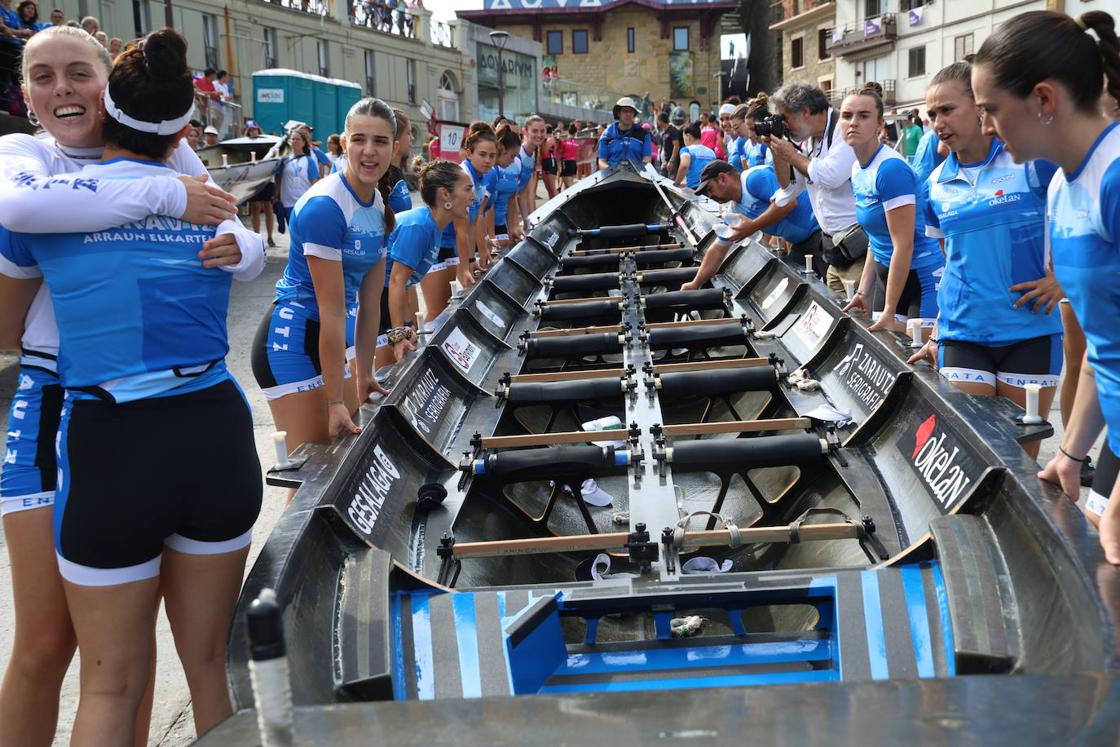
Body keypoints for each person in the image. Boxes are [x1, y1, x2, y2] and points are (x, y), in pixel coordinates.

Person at [0, 28, 264, 745]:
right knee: (50, 643)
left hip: (116, 419)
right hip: (60, 401)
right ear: (25, 95)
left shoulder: (172, 155)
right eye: (43, 77)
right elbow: (5, 322)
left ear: (107, 85)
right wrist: (160, 200)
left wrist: (244, 243)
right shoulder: (25, 161)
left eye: (77, 73)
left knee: (124, 658)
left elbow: (237, 230)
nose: (61, 90)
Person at [971, 10, 1120, 563]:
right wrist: (1073, 453)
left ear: (1043, 99)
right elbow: (1103, 350)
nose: (986, 127)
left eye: (992, 110)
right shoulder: (1060, 187)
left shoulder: (1115, 177)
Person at [906, 60, 1062, 460]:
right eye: (931, 114)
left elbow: (1087, 224)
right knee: (970, 459)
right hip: (963, 335)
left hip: (1030, 331)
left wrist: (1064, 279)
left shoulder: (1031, 162)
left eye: (947, 110)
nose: (938, 122)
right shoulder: (935, 185)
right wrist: (938, 329)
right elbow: (951, 261)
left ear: (980, 107)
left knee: (1018, 464)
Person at [251, 97, 395, 454]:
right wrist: (334, 402)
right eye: (359, 139)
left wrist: (365, 372)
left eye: (380, 141)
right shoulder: (325, 207)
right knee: (311, 475)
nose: (369, 151)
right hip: (292, 338)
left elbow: (369, 303)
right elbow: (331, 311)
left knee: (342, 460)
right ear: (343, 144)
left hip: (329, 335)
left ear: (394, 146)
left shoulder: (376, 202)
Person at [840, 88, 943, 332]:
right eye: (847, 115)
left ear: (879, 124)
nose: (853, 122)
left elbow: (903, 245)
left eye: (863, 116)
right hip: (887, 277)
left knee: (923, 362)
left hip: (921, 278)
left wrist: (889, 309)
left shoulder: (890, 170)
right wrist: (864, 290)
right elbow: (875, 240)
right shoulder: (858, 168)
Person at [767, 82, 862, 295]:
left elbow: (831, 176)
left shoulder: (844, 129)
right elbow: (790, 186)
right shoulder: (812, 140)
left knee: (858, 319)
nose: (784, 125)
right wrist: (776, 149)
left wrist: (792, 155)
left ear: (806, 111)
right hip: (835, 250)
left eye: (785, 118)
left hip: (860, 247)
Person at [382, 161, 472, 364]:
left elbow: (402, 283)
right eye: (467, 189)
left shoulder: (432, 225)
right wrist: (398, 335)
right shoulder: (420, 226)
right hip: (375, 299)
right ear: (445, 194)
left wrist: (406, 323)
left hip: (384, 298)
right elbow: (396, 281)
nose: (472, 197)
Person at [685, 160, 819, 290]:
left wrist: (753, 226)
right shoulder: (735, 211)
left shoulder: (754, 179)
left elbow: (789, 203)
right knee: (792, 285)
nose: (709, 195)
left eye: (709, 189)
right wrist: (695, 283)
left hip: (818, 232)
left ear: (722, 178)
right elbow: (718, 249)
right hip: (800, 243)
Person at [275, 127, 319, 223]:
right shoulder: (284, 160)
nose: (295, 141)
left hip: (304, 203)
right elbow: (278, 179)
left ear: (303, 143)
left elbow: (314, 183)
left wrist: (315, 201)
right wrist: (276, 196)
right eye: (293, 139)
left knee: (303, 231)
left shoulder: (309, 160)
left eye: (297, 139)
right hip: (287, 203)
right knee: (292, 232)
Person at [244, 120, 277, 247]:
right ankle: (257, 237)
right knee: (255, 208)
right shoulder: (243, 145)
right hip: (253, 181)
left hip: (268, 180)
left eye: (255, 129)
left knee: (268, 208)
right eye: (250, 130)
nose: (253, 132)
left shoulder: (267, 142)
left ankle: (270, 237)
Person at [513, 115, 546, 236]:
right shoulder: (517, 155)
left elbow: (523, 192)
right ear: (525, 131)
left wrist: (526, 219)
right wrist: (515, 223)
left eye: (542, 131)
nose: (539, 135)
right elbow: (512, 195)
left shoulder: (532, 155)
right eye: (535, 131)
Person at [598, 96, 652, 168]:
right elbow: (602, 161)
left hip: (636, 177)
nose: (628, 114)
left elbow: (647, 159)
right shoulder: (607, 134)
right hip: (612, 177)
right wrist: (611, 172)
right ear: (618, 113)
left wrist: (640, 173)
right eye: (625, 111)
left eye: (631, 111)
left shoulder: (644, 134)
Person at [675, 122, 716, 190]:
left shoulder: (686, 150)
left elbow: (684, 165)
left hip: (694, 189)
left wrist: (677, 183)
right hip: (710, 189)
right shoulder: (711, 152)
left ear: (688, 136)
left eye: (683, 137)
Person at [658, 111, 683, 178]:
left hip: (671, 162)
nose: (657, 122)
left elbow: (676, 146)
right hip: (664, 162)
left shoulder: (672, 130)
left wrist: (671, 161)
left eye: (658, 120)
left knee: (671, 182)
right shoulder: (663, 131)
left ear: (661, 121)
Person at [539, 124, 559, 198]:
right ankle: (552, 205)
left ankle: (557, 205)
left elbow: (544, 151)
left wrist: (541, 143)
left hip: (550, 162)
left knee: (552, 188)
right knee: (548, 188)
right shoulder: (546, 139)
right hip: (545, 161)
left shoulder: (550, 139)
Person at [560, 122, 580, 189]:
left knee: (568, 186)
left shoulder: (564, 141)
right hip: (574, 163)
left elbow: (559, 151)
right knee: (570, 184)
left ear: (568, 132)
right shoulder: (577, 143)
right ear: (575, 133)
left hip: (566, 162)